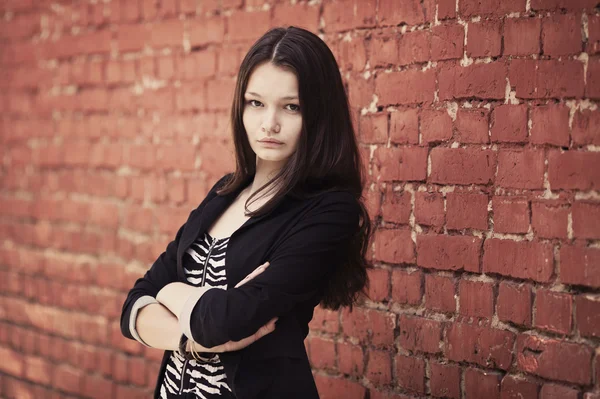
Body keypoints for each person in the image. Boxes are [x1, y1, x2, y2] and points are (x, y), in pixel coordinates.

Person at [119, 25, 372, 399]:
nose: (269, 123)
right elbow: (133, 307)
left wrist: (172, 292)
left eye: (291, 107)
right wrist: (193, 341)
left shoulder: (328, 211)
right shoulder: (223, 194)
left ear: (319, 115)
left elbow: (226, 321)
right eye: (256, 103)